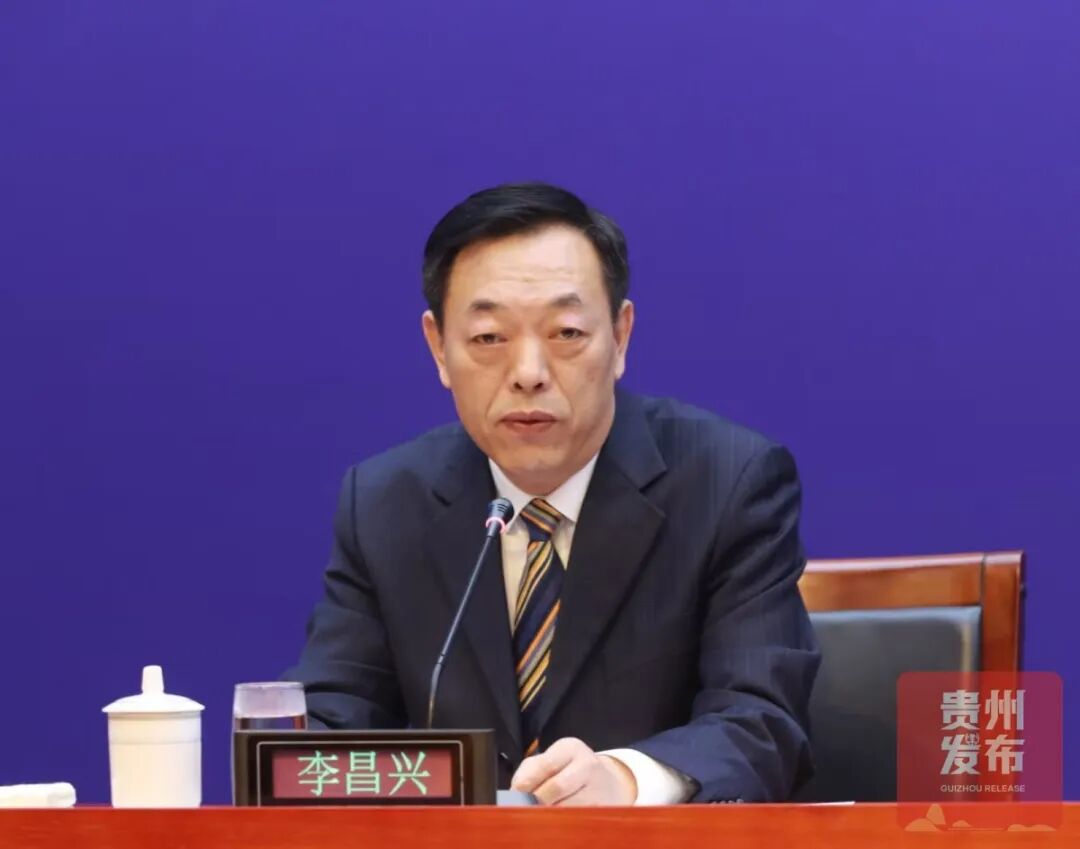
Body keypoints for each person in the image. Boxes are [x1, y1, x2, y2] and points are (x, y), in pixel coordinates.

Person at [285, 182, 820, 805]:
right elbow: (327, 724)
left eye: (566, 333)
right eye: (489, 338)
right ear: (438, 348)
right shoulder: (385, 501)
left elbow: (761, 722)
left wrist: (624, 780)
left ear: (620, 337)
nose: (529, 373)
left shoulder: (727, 482)